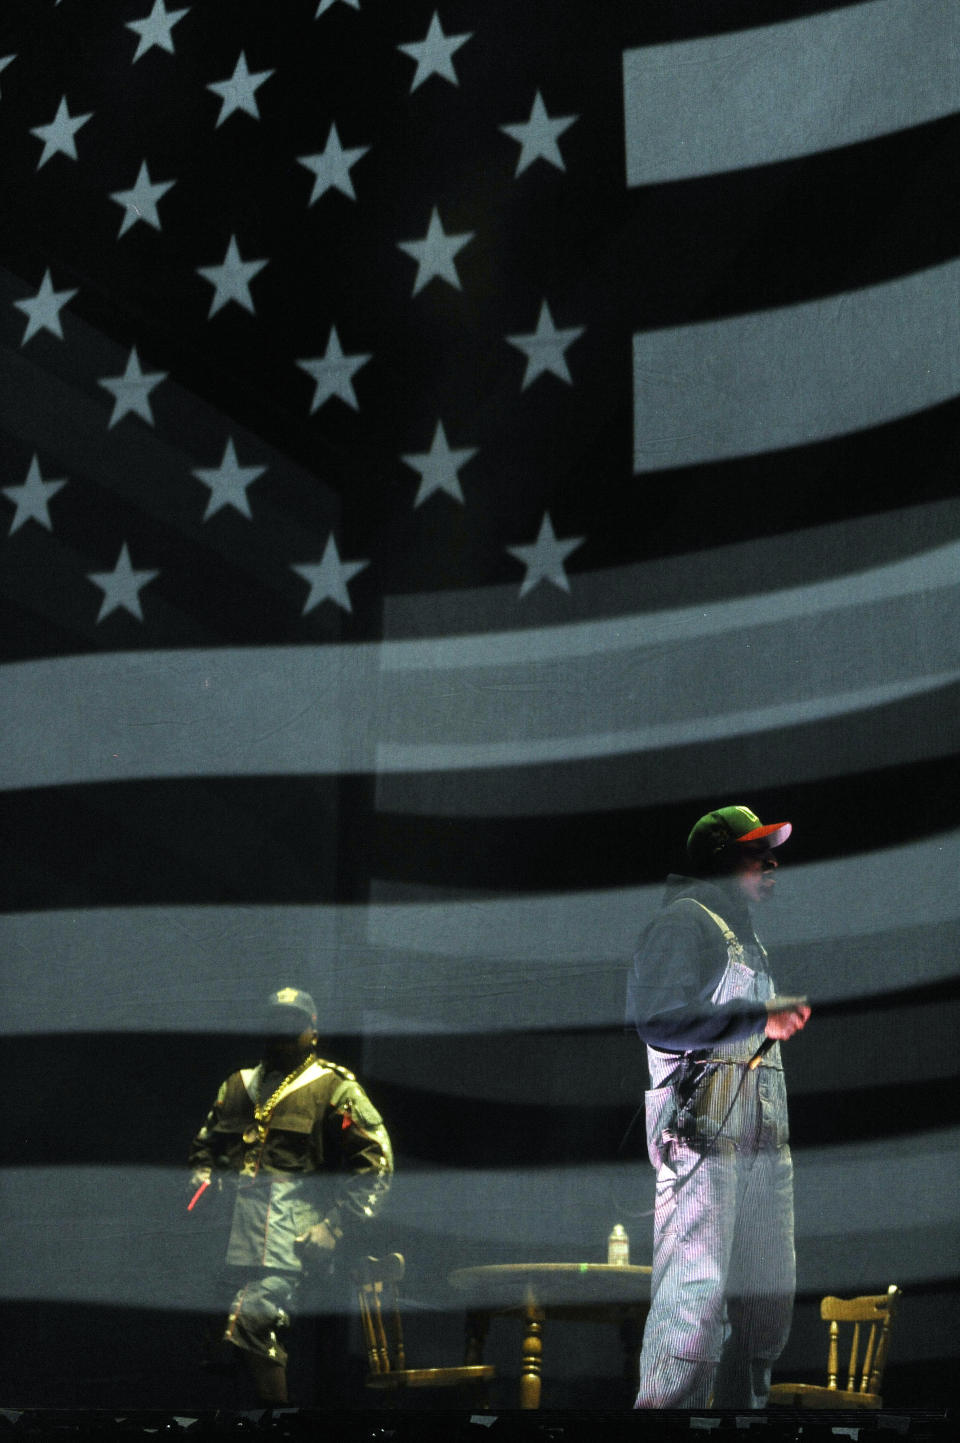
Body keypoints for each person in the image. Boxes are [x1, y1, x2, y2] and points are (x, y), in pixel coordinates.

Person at [626, 805, 811, 1409]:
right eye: (758, 852)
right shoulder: (686, 923)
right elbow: (657, 1021)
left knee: (765, 1316)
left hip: (762, 1151)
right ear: (721, 861)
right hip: (704, 1146)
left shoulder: (744, 936)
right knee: (693, 1312)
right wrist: (758, 1016)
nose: (772, 861)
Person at [187, 987, 393, 1404]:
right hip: (226, 1243)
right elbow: (204, 1148)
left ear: (313, 1032)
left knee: (253, 1326)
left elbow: (377, 1161)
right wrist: (204, 1181)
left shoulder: (333, 1087)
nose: (284, 1034)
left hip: (289, 1244)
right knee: (221, 1350)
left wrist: (335, 1225)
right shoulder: (238, 1086)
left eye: (295, 1026)